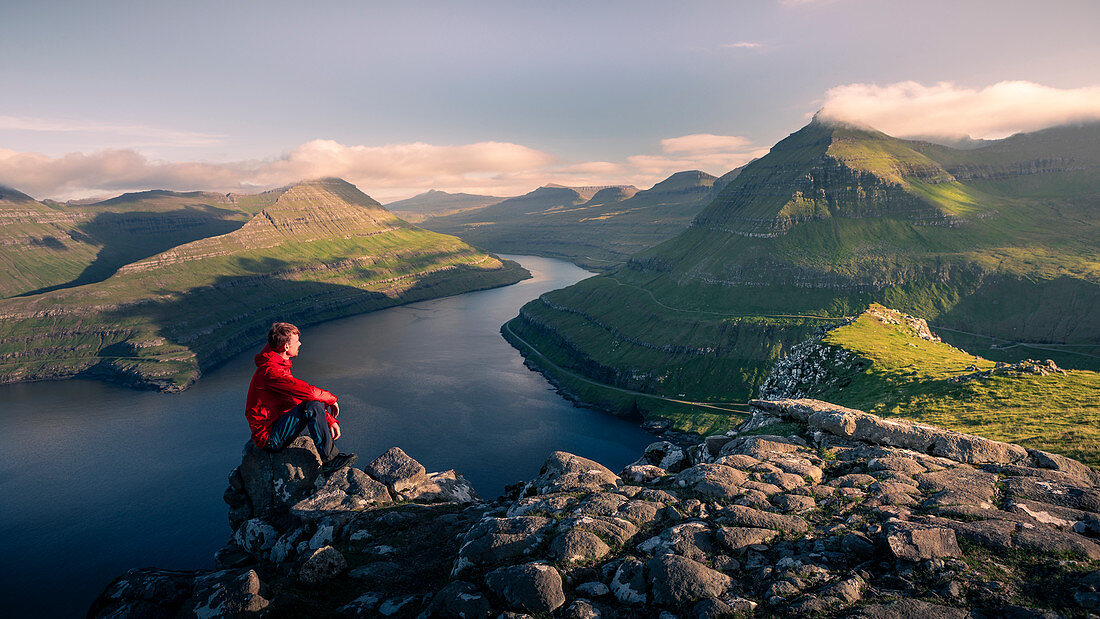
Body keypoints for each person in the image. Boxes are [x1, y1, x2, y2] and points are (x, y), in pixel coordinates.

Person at [245, 322, 356, 473]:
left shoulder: (275, 361)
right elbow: (309, 393)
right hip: (269, 438)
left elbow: (294, 399)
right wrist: (331, 399)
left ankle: (329, 456)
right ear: (285, 347)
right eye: (296, 341)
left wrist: (328, 419)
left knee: (312, 406)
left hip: (278, 424)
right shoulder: (271, 372)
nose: (300, 343)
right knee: (313, 405)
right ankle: (330, 460)